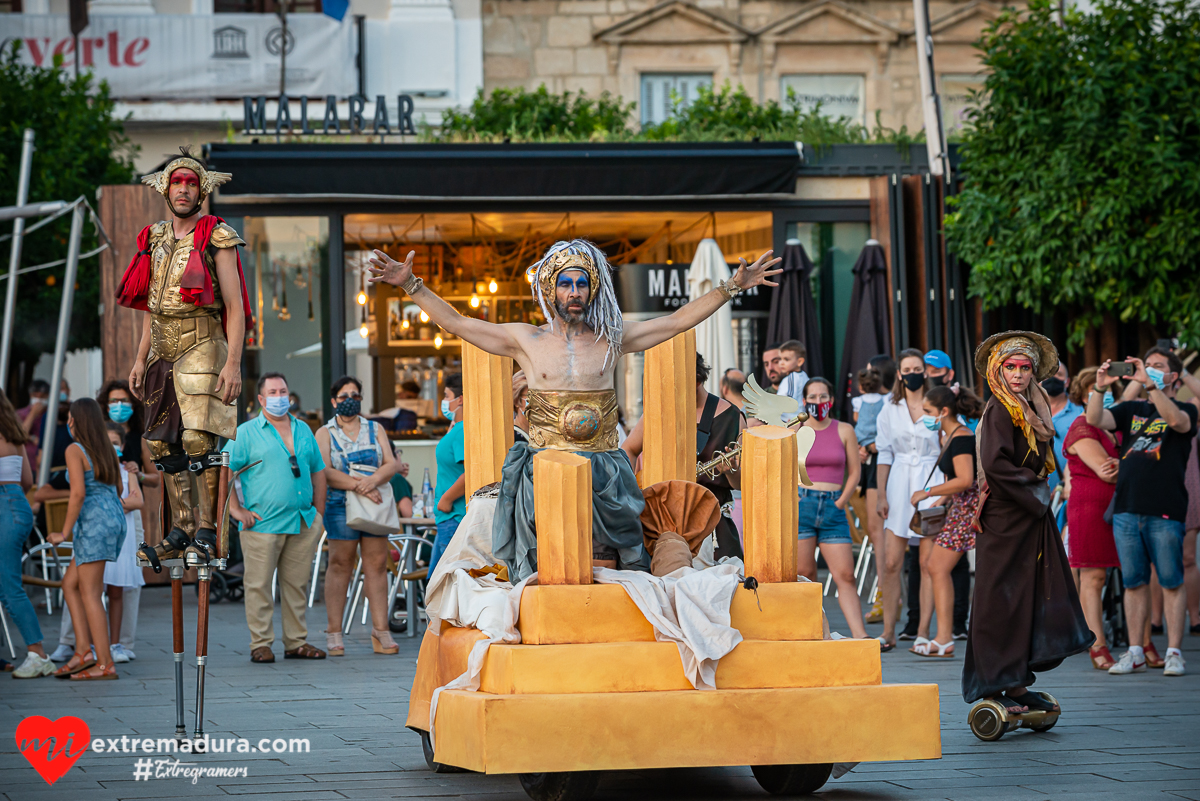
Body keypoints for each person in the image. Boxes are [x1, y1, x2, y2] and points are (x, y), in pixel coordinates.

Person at [368, 239, 780, 582]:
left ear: (593, 289)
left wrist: (731, 287)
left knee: (609, 561)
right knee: (546, 562)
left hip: (604, 468)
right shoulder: (525, 340)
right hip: (545, 467)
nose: (574, 292)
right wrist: (411, 286)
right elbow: (458, 324)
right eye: (566, 284)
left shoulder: (612, 338)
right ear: (552, 290)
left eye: (582, 283)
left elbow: (674, 323)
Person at [117, 147, 252, 570]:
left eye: (191, 183)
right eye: (177, 182)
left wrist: (233, 364)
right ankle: (179, 532)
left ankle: (208, 532)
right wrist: (140, 358)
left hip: (203, 342)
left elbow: (235, 305)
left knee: (198, 440)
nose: (183, 189)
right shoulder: (154, 238)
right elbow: (151, 309)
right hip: (161, 348)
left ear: (201, 191)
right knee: (160, 443)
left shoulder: (217, 235)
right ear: (165, 188)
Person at [963, 331, 1093, 714]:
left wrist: (1038, 497)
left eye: (1025, 368)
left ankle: (1015, 684)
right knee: (997, 601)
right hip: (1006, 516)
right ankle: (993, 683)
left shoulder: (1028, 406)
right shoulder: (1000, 408)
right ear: (996, 369)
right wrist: (1037, 494)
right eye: (1010, 367)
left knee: (1023, 598)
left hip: (1026, 513)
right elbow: (996, 464)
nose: (1018, 374)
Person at [1089, 348, 1197, 677]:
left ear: (1173, 377)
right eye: (1146, 366)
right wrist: (1100, 387)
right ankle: (1135, 651)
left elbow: (1178, 423)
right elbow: (1095, 419)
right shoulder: (1132, 409)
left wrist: (1149, 386)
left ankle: (1174, 652)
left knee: (1171, 580)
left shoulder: (1185, 408)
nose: (1149, 370)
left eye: (1157, 367)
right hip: (1126, 508)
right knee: (1134, 581)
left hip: (1164, 509)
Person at [225, 373, 328, 663]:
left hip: (302, 521)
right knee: (258, 585)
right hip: (262, 523)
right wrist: (236, 509)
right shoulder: (246, 432)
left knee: (297, 586)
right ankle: (260, 643)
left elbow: (318, 469)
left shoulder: (304, 429)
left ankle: (296, 642)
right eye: (273, 392)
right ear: (261, 399)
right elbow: (224, 471)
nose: (280, 396)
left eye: (283, 390)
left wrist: (318, 513)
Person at [623, 353, 746, 560]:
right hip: (663, 523)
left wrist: (730, 472)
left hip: (713, 524)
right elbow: (629, 450)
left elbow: (741, 484)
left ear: (697, 379)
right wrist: (633, 491)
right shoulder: (658, 411)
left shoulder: (732, 417)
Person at [316, 375, 401, 657]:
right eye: (343, 396)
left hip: (374, 503)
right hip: (340, 502)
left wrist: (372, 481)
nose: (349, 400)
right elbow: (325, 470)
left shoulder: (375, 429)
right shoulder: (325, 433)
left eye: (354, 395)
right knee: (341, 563)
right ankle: (334, 632)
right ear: (333, 401)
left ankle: (381, 631)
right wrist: (360, 486)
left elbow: (392, 463)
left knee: (376, 564)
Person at [49, 399, 128, 681]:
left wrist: (63, 532)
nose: (68, 422)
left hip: (93, 524)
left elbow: (78, 494)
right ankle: (83, 650)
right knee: (69, 584)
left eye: (70, 418)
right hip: (113, 519)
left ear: (76, 421)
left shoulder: (74, 449)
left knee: (91, 594)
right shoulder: (106, 447)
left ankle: (106, 664)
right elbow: (118, 486)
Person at [908, 385, 982, 658]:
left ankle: (943, 637)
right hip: (960, 506)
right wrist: (942, 499)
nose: (924, 416)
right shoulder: (952, 435)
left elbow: (965, 479)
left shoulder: (961, 438)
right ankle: (943, 636)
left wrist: (928, 492)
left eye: (928, 411)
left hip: (967, 510)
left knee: (936, 567)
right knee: (936, 567)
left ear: (944, 412)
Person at [875, 349, 940, 651]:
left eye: (918, 368)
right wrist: (881, 493)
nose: (913, 373)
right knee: (890, 562)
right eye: (907, 368)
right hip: (900, 482)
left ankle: (923, 631)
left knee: (926, 562)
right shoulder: (890, 407)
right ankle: (889, 631)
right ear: (899, 373)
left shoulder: (938, 403)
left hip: (931, 478)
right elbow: (884, 453)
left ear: (924, 372)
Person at [795, 377, 867, 639]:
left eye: (823, 397)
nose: (818, 402)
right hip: (803, 504)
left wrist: (840, 501)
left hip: (833, 506)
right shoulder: (796, 430)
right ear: (804, 401)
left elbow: (855, 472)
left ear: (832, 400)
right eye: (812, 398)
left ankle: (860, 635)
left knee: (845, 574)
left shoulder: (844, 429)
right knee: (805, 575)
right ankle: (813, 633)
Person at [1063, 367, 1121, 670]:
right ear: (1084, 396)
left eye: (1110, 390)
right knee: (1093, 576)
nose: (1104, 395)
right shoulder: (1082, 425)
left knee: (1126, 576)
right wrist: (1138, 465)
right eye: (1096, 390)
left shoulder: (1116, 425)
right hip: (1089, 509)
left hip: (1120, 508)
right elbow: (1105, 470)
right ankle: (1097, 643)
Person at [0, 392, 52, 678]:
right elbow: (29, 481)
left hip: (4, 506)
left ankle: (38, 653)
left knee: (9, 586)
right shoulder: (14, 437)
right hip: (16, 503)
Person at [854, 360, 889, 624]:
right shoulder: (887, 402)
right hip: (871, 462)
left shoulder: (863, 403)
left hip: (880, 465)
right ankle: (887, 595)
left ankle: (886, 596)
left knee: (879, 536)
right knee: (879, 535)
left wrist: (868, 446)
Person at [429, 374, 466, 576]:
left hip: (454, 515)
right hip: (449, 516)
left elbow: (470, 471)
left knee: (450, 583)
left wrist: (447, 499)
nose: (445, 401)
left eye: (447, 395)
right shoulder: (457, 429)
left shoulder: (462, 430)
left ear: (460, 399)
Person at [97, 379, 158, 489]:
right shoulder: (98, 435)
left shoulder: (141, 438)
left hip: (133, 500)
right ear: (106, 406)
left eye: (124, 400)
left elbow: (155, 479)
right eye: (113, 401)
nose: (119, 405)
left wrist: (139, 475)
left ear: (133, 406)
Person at [1045, 361, 1082, 497]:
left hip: (1070, 492)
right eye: (1048, 374)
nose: (1053, 378)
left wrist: (1067, 483)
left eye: (1059, 374)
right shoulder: (1025, 412)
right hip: (1032, 496)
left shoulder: (1081, 412)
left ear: (1067, 382)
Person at [16, 378, 49, 466]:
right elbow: (20, 435)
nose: (38, 399)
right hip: (26, 463)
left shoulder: (52, 415)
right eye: (35, 396)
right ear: (30, 395)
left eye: (42, 396)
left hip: (45, 463)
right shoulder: (20, 414)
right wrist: (33, 414)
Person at [775, 340, 811, 411]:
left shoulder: (791, 378)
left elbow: (789, 400)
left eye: (786, 359)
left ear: (799, 362)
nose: (781, 363)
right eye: (780, 359)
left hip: (789, 418)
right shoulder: (804, 376)